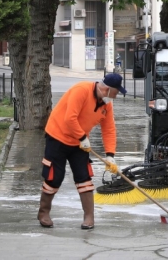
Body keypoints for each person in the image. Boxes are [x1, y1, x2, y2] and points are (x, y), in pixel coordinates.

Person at [37, 73, 126, 230]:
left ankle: (89, 217)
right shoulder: (81, 90)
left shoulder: (107, 105)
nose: (116, 97)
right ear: (107, 90)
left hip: (79, 143)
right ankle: (44, 212)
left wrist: (110, 155)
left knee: (84, 176)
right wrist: (82, 137)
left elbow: (109, 129)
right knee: (54, 177)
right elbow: (70, 118)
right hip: (57, 137)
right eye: (116, 93)